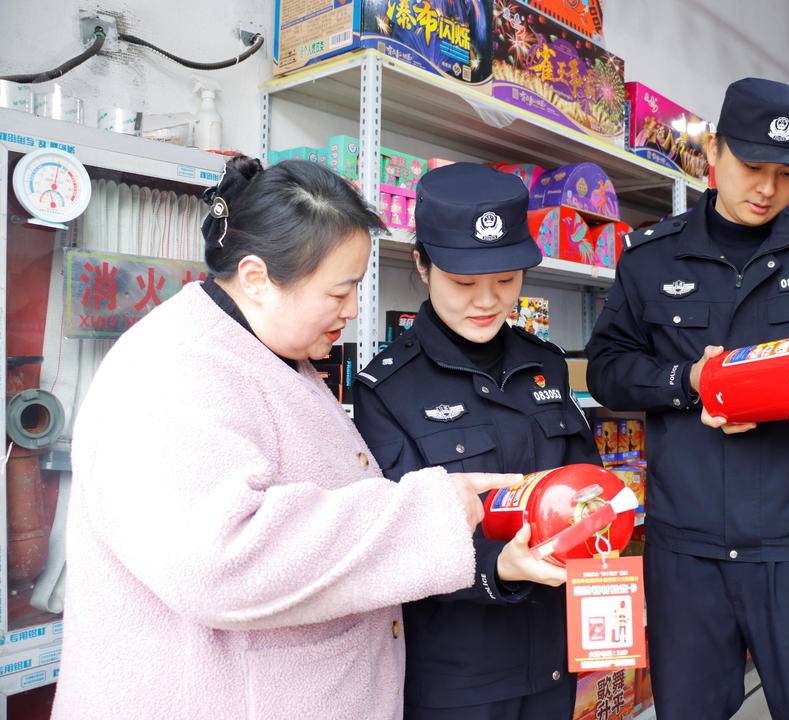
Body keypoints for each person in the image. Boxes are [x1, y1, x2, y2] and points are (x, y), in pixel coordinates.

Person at [51, 157, 518, 720]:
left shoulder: (270, 349)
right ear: (256, 278)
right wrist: (430, 513)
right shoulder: (174, 370)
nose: (352, 310)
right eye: (339, 292)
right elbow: (221, 559)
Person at [585, 78, 789, 719]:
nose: (766, 189)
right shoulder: (650, 259)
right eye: (752, 166)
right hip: (687, 552)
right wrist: (685, 383)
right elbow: (606, 371)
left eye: (787, 174)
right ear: (713, 151)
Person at [353, 163, 602, 720]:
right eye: (464, 282)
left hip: (554, 659)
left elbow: (582, 478)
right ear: (422, 265)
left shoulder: (545, 365)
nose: (487, 300)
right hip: (460, 678)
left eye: (507, 279)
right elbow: (396, 540)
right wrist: (499, 564)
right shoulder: (387, 388)